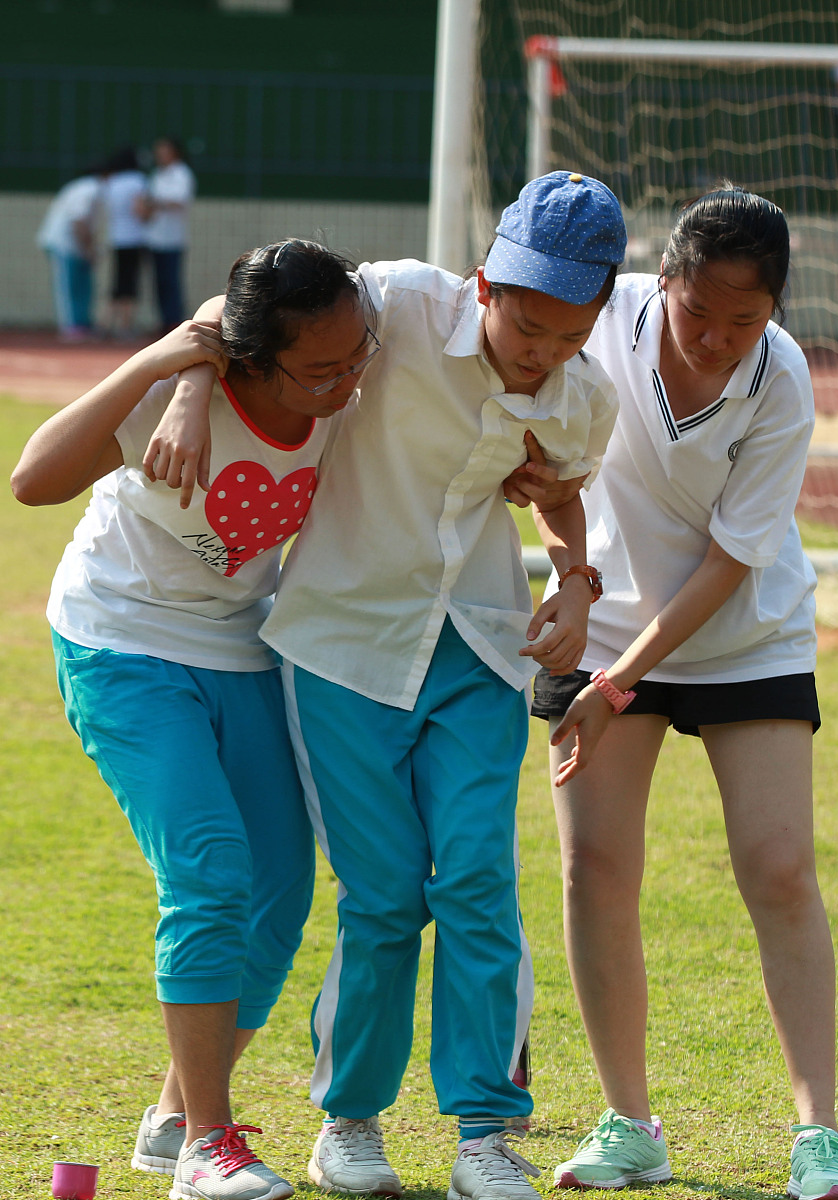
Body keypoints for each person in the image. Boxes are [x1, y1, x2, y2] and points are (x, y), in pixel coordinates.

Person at [151, 171, 626, 1200]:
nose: (539, 349)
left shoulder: (586, 396)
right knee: (381, 897)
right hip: (340, 648)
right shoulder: (399, 300)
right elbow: (240, 305)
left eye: (566, 331)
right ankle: (350, 1122)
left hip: (476, 651)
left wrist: (575, 584)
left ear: (597, 316)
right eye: (525, 321)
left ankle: (484, 1137)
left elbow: (557, 499)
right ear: (483, 281)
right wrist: (191, 390)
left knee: (475, 884)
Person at [10, 239, 382, 1200]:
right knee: (211, 869)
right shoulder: (176, 388)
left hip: (239, 644)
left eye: (356, 359)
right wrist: (166, 370)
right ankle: (211, 1148)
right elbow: (33, 480)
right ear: (250, 358)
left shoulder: (343, 384)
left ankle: (177, 1118)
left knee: (279, 894)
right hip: (120, 642)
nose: (345, 382)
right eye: (319, 370)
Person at [524, 186, 838, 1200]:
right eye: (697, 311)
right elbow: (551, 479)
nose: (717, 337)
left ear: (773, 312)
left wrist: (613, 685)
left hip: (742, 635)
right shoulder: (594, 327)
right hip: (605, 623)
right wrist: (576, 591)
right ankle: (628, 1124)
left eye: (744, 319)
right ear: (660, 282)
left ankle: (818, 1137)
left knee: (777, 867)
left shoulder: (781, 378)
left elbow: (724, 565)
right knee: (593, 867)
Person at [36, 164, 106, 341]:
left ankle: (83, 323)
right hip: (64, 245)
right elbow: (79, 222)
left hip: (76, 246)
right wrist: (89, 249)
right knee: (69, 286)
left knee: (84, 286)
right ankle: (71, 326)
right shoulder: (89, 188)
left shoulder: (90, 189)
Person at [141, 136, 196, 334]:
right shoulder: (157, 174)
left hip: (173, 238)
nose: (159, 155)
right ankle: (164, 320)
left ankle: (174, 321)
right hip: (155, 237)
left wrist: (155, 203)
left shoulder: (181, 174)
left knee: (171, 281)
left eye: (164, 151)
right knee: (159, 283)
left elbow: (179, 201)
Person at [101, 146, 149, 339]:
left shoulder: (112, 182)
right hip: (134, 237)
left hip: (116, 237)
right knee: (130, 283)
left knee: (117, 282)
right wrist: (149, 214)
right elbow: (140, 210)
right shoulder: (138, 181)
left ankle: (105, 323)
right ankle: (125, 325)